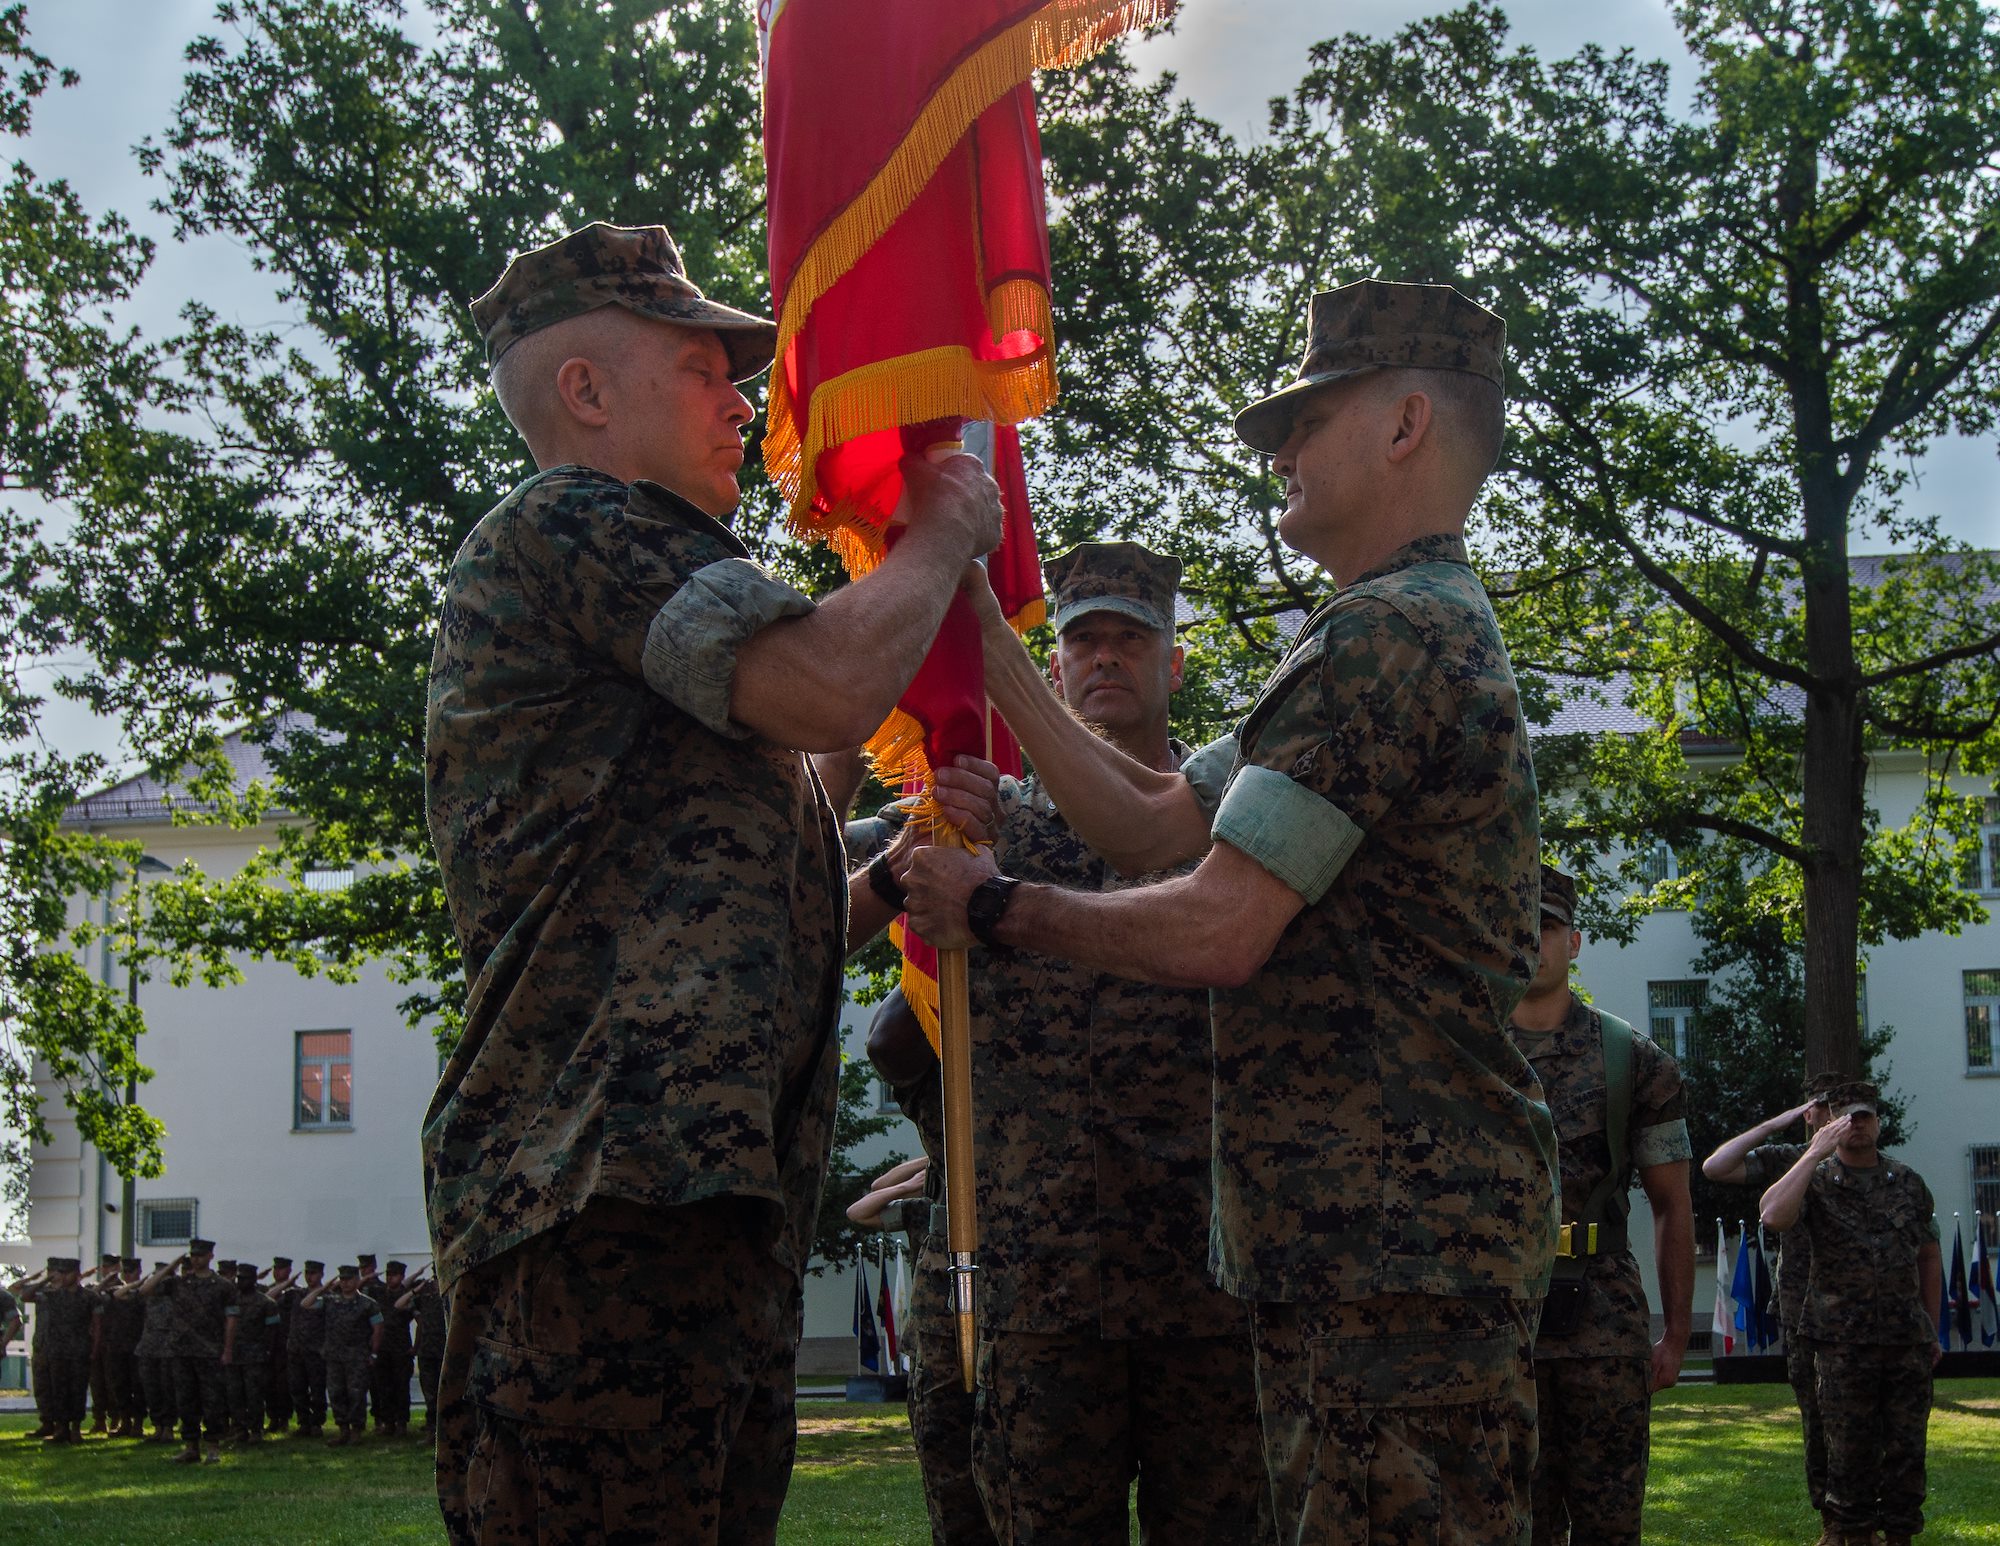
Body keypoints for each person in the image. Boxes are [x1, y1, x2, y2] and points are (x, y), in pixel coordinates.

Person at [908, 279, 1555, 1546]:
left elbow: (1218, 925)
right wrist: (987, 644)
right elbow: (1159, 821)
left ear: (1405, 423)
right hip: (1373, 1246)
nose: (1278, 449)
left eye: (1305, 418)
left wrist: (999, 909)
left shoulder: (1390, 636)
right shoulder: (1374, 631)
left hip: (1387, 1248)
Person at [423, 218, 1004, 1546]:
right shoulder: (570, 521)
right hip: (603, 1200)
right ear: (586, 393)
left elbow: (766, 881)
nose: (743, 403)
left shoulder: (647, 610)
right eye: (702, 369)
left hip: (689, 1203)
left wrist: (891, 870)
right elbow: (818, 682)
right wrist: (934, 536)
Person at [1506, 864, 1694, 1545]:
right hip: (1498, 1326)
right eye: (1518, 925)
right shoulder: (1465, 1053)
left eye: (1547, 927)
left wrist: (1675, 1335)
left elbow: (1674, 1203)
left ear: (1575, 941)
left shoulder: (1635, 1061)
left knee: (1609, 1526)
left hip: (1602, 1325)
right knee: (1509, 1524)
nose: (1532, 940)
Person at [1761, 1083, 1942, 1546]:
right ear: (1831, 1123)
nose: (1856, 1124)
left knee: (1906, 1449)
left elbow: (1927, 1256)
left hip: (1906, 1341)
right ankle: (1850, 1533)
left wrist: (1932, 1328)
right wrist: (1813, 1152)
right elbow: (1774, 1217)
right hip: (1841, 1344)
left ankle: (1899, 1535)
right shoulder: (1816, 1180)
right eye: (1846, 1117)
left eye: (1864, 1116)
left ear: (1878, 1123)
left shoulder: (1907, 1182)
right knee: (1848, 1451)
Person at [849, 990, 997, 1546]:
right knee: (955, 1484)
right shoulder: (933, 1195)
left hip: (1026, 1316)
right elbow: (862, 1206)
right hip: (946, 1331)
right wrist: (925, 1173)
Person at [1703, 1070, 1849, 1535]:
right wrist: (1775, 1123)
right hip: (1804, 1310)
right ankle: (1831, 1519)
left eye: (1840, 1107)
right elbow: (1716, 1167)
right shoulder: (1791, 1159)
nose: (1831, 1117)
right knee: (1817, 1417)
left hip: (1863, 1310)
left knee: (1872, 1418)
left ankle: (1870, 1518)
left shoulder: (1871, 1167)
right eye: (1823, 1107)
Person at [140, 1239, 232, 1465]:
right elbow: (145, 1290)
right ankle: (191, 1447)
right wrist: (170, 1267)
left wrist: (227, 1350)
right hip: (181, 1350)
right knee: (185, 1401)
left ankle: (212, 1448)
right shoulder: (178, 1283)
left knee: (212, 1401)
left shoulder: (222, 1285)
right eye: (193, 1255)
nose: (196, 1259)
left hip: (209, 1350)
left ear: (211, 1256)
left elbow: (231, 1319)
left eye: (201, 1255)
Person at [304, 1264, 383, 1448]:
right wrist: (323, 1289)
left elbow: (378, 1329)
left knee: (356, 1394)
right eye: (342, 1279)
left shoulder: (368, 1304)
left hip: (357, 1356)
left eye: (349, 1279)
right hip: (334, 1356)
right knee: (336, 1393)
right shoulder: (331, 1300)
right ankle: (343, 1431)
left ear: (357, 1280)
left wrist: (374, 1353)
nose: (345, 1283)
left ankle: (356, 1431)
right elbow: (306, 1304)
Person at [20, 1256, 93, 1444]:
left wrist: (94, 1347)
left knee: (77, 1390)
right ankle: (60, 1429)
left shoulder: (88, 1296)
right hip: (56, 1351)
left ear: (76, 1274)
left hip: (79, 1350)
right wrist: (45, 1279)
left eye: (65, 1272)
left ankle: (75, 1429)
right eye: (59, 1272)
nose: (61, 1276)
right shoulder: (51, 1294)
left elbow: (97, 1324)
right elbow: (25, 1296)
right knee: (58, 1390)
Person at [221, 1261, 281, 1445]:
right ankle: (239, 1429)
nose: (240, 1281)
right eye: (239, 1278)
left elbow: (272, 1331)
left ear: (254, 1280)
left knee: (254, 1395)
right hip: (233, 1355)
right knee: (234, 1394)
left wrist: (266, 1352)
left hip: (255, 1356)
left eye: (245, 1278)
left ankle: (256, 1430)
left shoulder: (266, 1303)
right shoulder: (230, 1300)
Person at [129, 1261, 180, 1442]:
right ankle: (158, 1426)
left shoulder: (177, 1292)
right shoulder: (148, 1294)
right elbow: (122, 1294)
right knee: (151, 1390)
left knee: (168, 1390)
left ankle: (168, 1427)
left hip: (169, 1349)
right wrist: (161, 1273)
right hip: (148, 1348)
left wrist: (169, 1274)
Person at [98, 1257, 148, 1438]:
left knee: (138, 1386)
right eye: (125, 1272)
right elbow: (97, 1292)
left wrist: (140, 1283)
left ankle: (138, 1424)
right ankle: (125, 1422)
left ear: (139, 1272)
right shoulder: (113, 1291)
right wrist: (112, 1276)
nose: (128, 1275)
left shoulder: (144, 1292)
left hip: (137, 1346)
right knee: (120, 1386)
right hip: (116, 1345)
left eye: (131, 1272)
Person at [399, 1266, 446, 1438]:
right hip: (426, 1351)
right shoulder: (424, 1293)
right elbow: (399, 1303)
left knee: (446, 1394)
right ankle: (432, 1431)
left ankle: (445, 1431)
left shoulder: (451, 1290)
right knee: (430, 1395)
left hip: (445, 1351)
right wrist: (416, 1289)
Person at [372, 1259, 416, 1437]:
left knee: (401, 1387)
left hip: (401, 1348)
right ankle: (387, 1422)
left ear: (402, 1276)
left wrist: (416, 1346)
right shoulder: (379, 1294)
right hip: (382, 1348)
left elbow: (419, 1321)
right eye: (388, 1275)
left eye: (395, 1275)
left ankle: (401, 1423)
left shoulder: (408, 1296)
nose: (390, 1278)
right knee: (383, 1387)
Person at [286, 1260, 330, 1439]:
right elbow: (270, 1297)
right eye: (307, 1273)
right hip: (296, 1350)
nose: (309, 1277)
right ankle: (303, 1422)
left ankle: (316, 1423)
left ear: (321, 1275)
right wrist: (288, 1283)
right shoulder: (296, 1294)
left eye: (313, 1273)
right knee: (297, 1388)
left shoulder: (327, 1297)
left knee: (317, 1389)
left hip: (316, 1351)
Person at [264, 1256, 297, 1434]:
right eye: (275, 1269)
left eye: (282, 1269)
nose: (278, 1272)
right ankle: (272, 1417)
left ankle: (284, 1418)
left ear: (289, 1271)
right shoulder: (267, 1290)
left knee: (283, 1385)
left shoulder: (295, 1292)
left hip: (286, 1343)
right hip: (269, 1343)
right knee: (269, 1384)